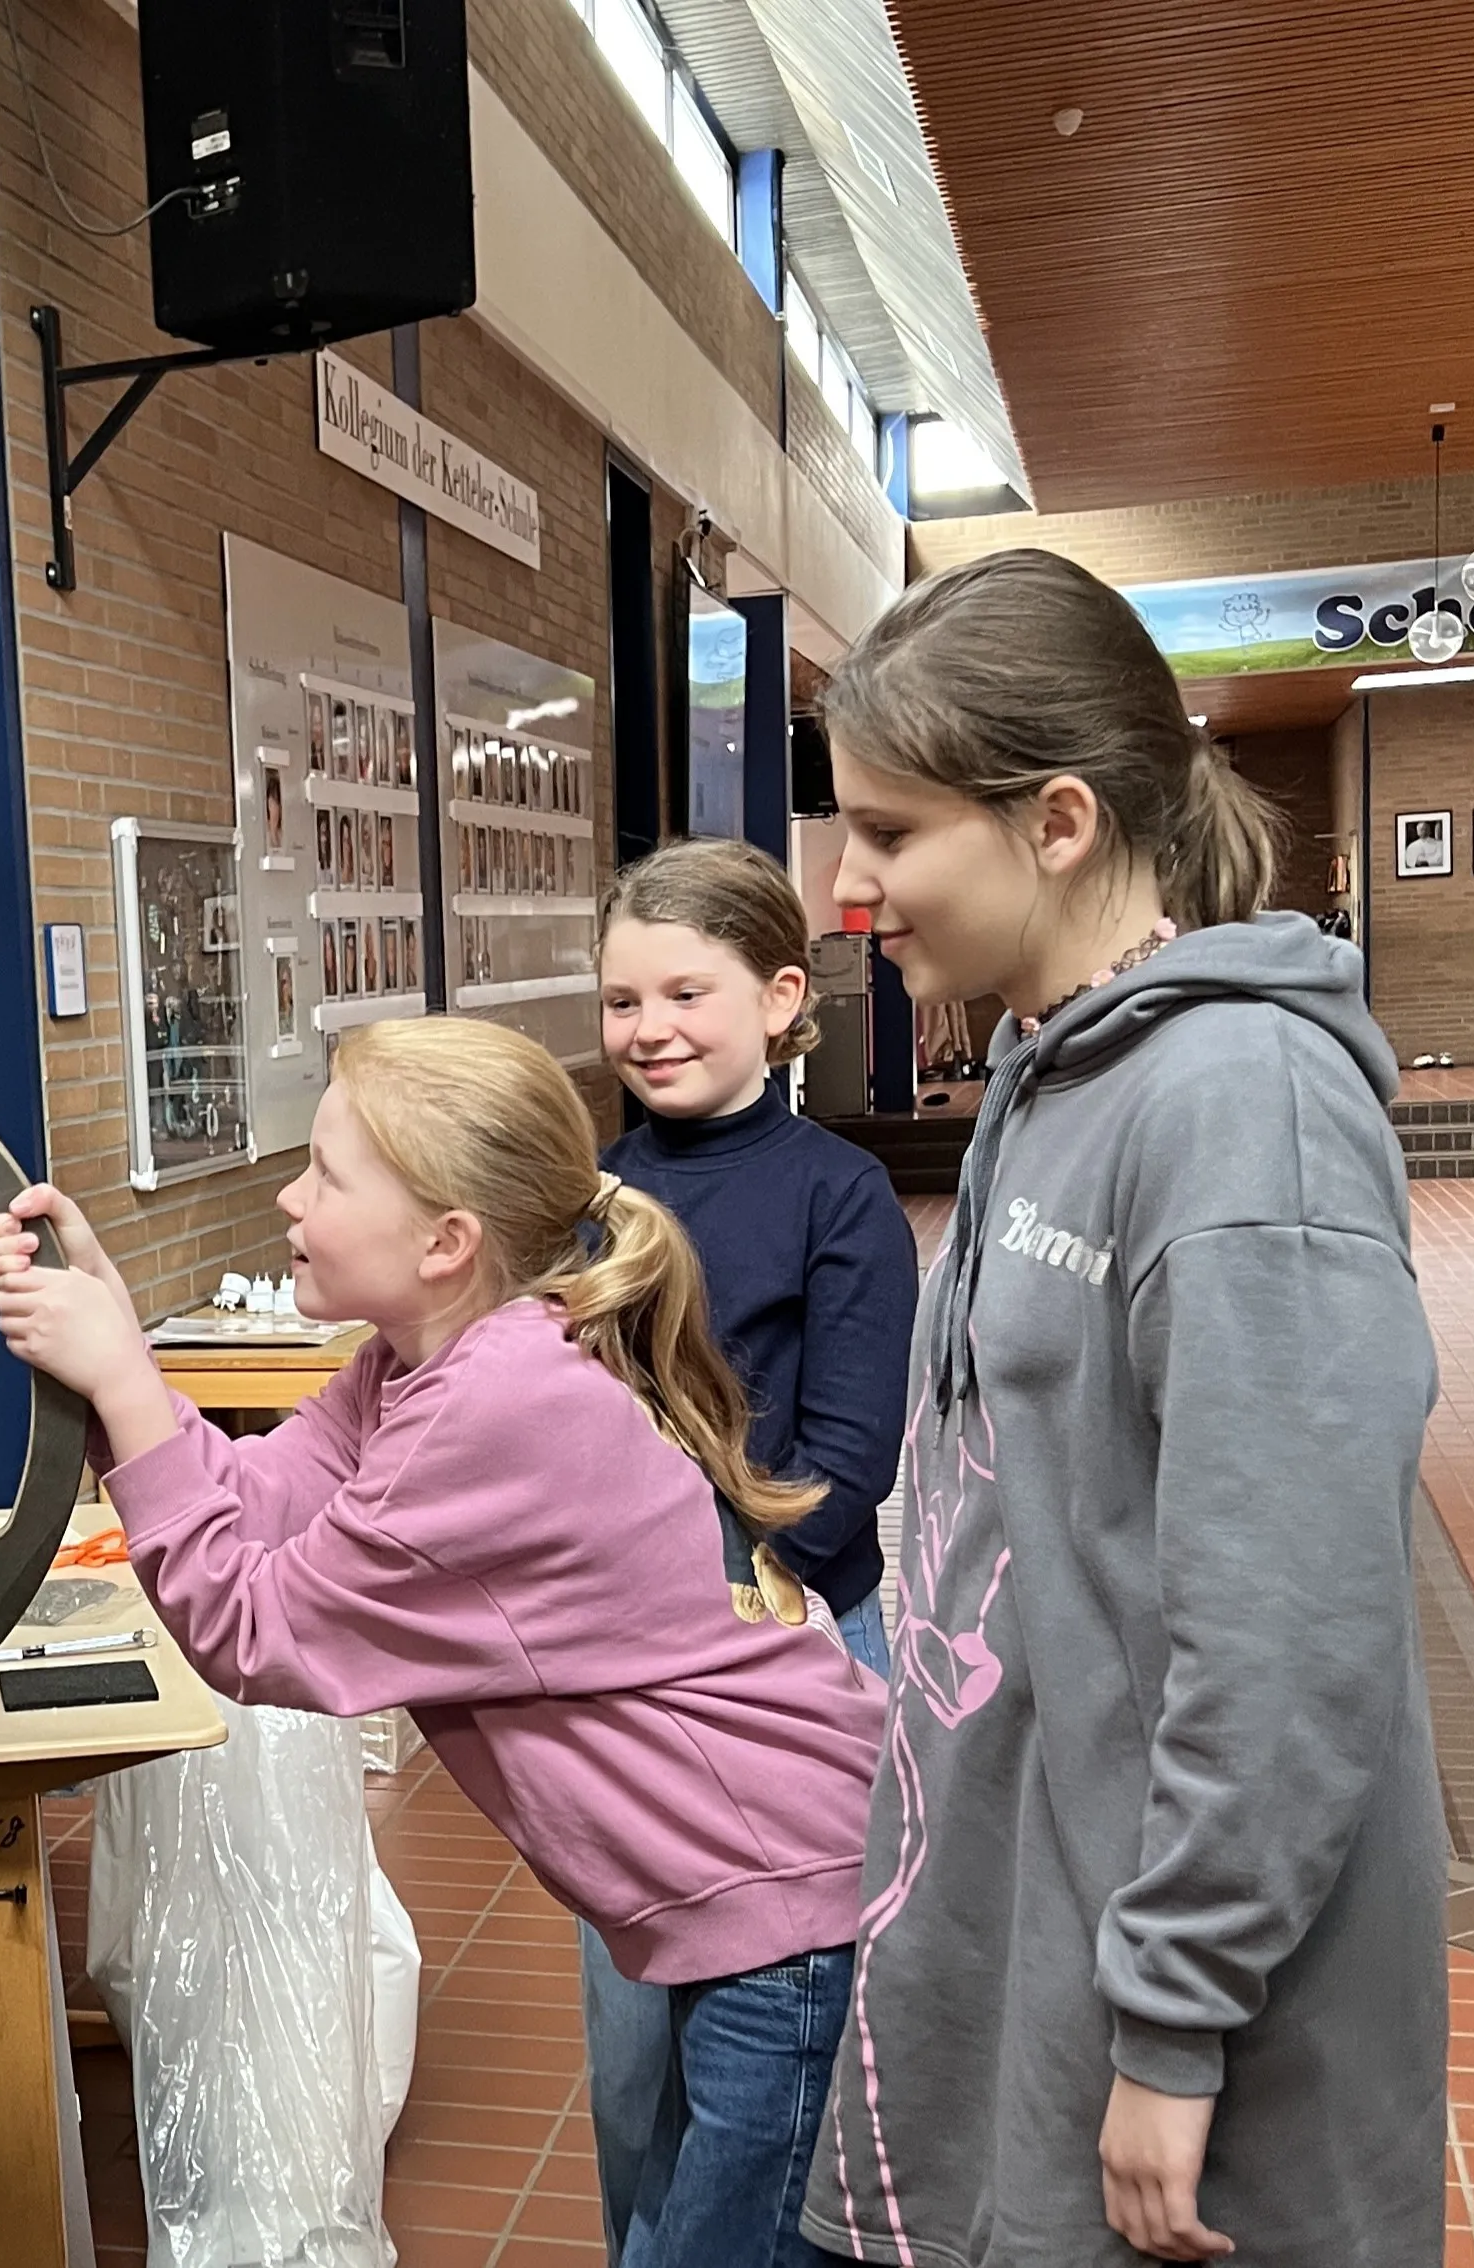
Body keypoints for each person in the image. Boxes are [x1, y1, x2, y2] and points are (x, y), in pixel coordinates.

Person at [0, 1016, 885, 2268]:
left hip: (792, 1906)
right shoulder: (421, 1363)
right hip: (764, 1892)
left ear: (446, 1243)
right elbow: (263, 1499)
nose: (289, 1196)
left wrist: (123, 1382)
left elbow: (256, 1628)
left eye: (326, 1174)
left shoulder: (499, 1402)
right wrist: (122, 1339)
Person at [802, 549, 1444, 2267]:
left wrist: (1173, 2015)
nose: (849, 887)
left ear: (1059, 822)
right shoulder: (1052, 1070)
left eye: (888, 832)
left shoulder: (1242, 1105)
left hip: (1195, 2028)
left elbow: (1292, 1627)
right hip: (1041, 1931)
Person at [584, 836, 918, 2261]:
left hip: (789, 1654)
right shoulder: (588, 1198)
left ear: (783, 1000)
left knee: (773, 2076)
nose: (649, 1029)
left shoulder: (838, 1194)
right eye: (622, 1001)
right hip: (619, 1678)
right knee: (632, 2073)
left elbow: (846, 1461)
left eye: (686, 994)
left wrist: (706, 1599)